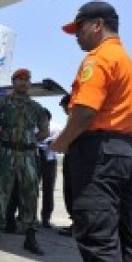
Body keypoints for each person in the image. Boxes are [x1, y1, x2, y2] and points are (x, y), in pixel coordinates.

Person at [51, 1, 132, 262]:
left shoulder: (98, 59)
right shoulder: (128, 63)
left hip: (98, 154)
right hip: (123, 152)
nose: (76, 38)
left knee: (98, 239)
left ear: (98, 24)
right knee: (120, 238)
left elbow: (86, 111)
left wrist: (62, 142)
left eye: (79, 30)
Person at [0, 68, 49, 254]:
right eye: (19, 79)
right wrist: (4, 137)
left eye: (26, 79)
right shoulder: (2, 103)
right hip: (7, 153)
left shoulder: (36, 107)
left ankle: (30, 237)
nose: (23, 82)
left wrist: (29, 140)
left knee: (30, 195)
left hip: (29, 155)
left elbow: (44, 131)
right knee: (2, 193)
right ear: (13, 82)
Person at [57, 94, 75, 237]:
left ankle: (78, 225)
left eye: (64, 107)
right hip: (69, 158)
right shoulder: (71, 119)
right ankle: (76, 223)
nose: (64, 110)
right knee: (68, 191)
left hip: (77, 159)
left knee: (73, 192)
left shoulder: (77, 120)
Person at [38, 108, 58, 229]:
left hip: (50, 160)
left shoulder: (56, 128)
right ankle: (27, 216)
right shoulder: (34, 128)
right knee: (30, 189)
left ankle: (46, 218)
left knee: (48, 190)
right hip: (36, 157)